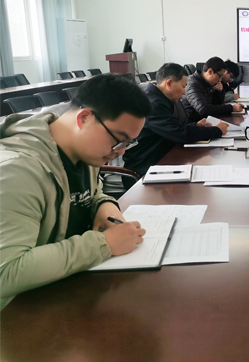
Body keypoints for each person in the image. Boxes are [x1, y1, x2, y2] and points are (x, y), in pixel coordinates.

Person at [0, 74, 152, 309]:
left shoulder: (83, 151)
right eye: (118, 141)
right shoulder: (16, 171)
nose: (120, 152)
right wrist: (103, 243)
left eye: (127, 143)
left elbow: (91, 192)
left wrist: (104, 206)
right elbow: (6, 273)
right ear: (84, 118)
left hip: (68, 289)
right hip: (21, 314)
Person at [123, 63, 228, 184]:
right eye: (183, 86)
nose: (184, 92)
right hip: (145, 167)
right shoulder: (152, 103)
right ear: (169, 83)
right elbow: (181, 134)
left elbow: (173, 128)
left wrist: (194, 126)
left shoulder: (160, 97)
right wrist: (217, 130)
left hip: (161, 158)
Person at [181, 56, 244, 121]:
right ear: (210, 71)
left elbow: (216, 104)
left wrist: (219, 92)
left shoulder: (207, 82)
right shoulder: (193, 84)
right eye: (220, 76)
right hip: (194, 122)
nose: (220, 79)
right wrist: (231, 108)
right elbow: (203, 109)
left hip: (205, 119)